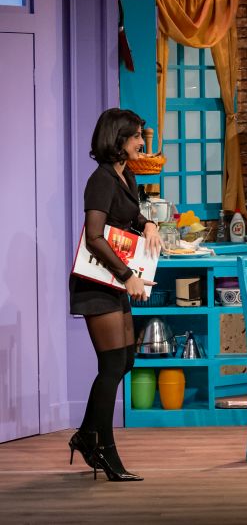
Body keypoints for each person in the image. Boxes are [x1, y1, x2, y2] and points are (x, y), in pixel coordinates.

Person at [69, 108, 161, 482]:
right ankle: (104, 449)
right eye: (137, 135)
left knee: (125, 361)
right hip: (99, 282)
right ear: (118, 139)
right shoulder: (101, 179)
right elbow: (94, 237)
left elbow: (129, 215)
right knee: (111, 366)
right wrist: (127, 276)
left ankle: (85, 436)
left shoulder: (125, 175)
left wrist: (149, 223)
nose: (142, 142)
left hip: (115, 281)